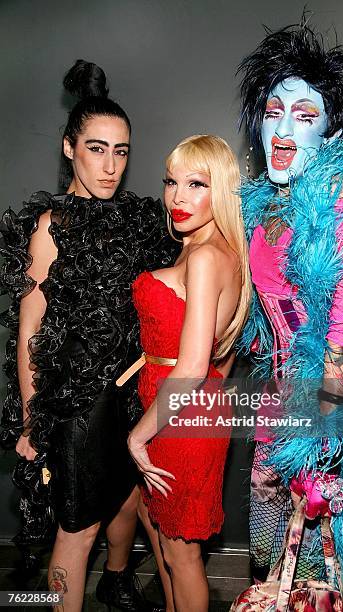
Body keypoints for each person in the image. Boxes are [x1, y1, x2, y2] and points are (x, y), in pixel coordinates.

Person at [236, 20, 343, 611]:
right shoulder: (267, 205)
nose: (282, 130)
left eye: (303, 115)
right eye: (272, 110)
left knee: (317, 585)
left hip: (323, 428)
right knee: (269, 562)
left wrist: (322, 449)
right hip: (273, 412)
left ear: (332, 132)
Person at [0, 60, 179, 611]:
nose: (110, 165)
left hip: (131, 392)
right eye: (96, 148)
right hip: (77, 403)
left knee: (126, 503)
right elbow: (28, 330)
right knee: (76, 532)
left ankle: (118, 579)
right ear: (68, 147)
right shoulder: (52, 225)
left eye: (121, 151)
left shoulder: (140, 220)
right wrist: (33, 421)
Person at [124, 134, 252, 612]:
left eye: (196, 184)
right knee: (161, 528)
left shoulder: (203, 256)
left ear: (220, 189)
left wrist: (137, 437)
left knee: (182, 553)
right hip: (186, 409)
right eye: (171, 182)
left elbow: (196, 367)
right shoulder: (214, 249)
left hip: (182, 415)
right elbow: (222, 357)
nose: (177, 197)